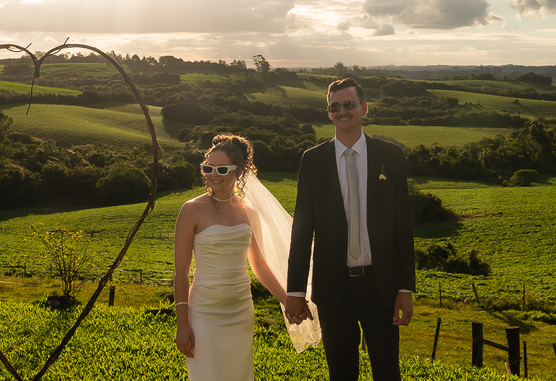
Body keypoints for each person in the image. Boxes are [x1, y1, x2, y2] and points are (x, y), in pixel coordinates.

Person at [285, 77, 416, 381]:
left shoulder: (391, 156)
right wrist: (294, 290)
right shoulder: (313, 160)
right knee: (341, 374)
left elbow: (402, 226)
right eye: (335, 106)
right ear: (328, 112)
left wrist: (405, 288)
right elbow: (303, 229)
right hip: (334, 288)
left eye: (349, 104)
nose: (342, 111)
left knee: (387, 372)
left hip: (381, 286)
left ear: (364, 108)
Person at [173, 134, 320, 381]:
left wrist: (287, 300)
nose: (212, 174)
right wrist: (182, 324)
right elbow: (181, 272)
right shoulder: (191, 210)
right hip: (204, 313)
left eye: (221, 169)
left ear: (239, 171)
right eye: (207, 168)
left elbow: (259, 265)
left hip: (240, 311)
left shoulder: (248, 211)